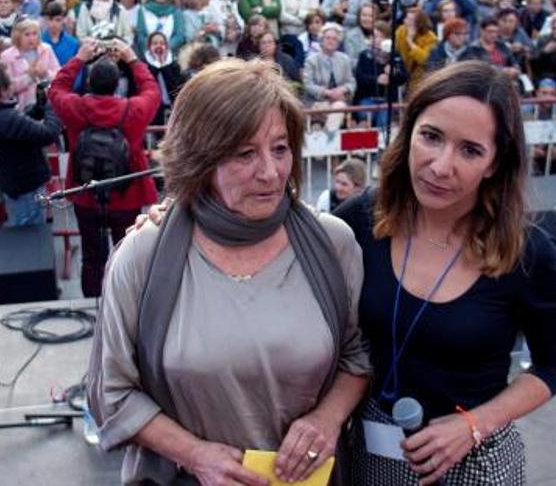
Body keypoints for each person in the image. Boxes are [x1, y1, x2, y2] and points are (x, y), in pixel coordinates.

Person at [88, 58, 370, 486]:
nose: (271, 172)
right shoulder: (143, 255)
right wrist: (195, 455)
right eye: (244, 154)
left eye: (280, 148)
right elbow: (112, 392)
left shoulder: (333, 244)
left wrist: (328, 420)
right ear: (200, 158)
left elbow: (359, 355)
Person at [332, 62, 556, 484]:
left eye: (470, 150)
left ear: (496, 163)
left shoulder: (527, 252)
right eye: (431, 137)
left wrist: (474, 424)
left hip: (471, 461)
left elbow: (554, 365)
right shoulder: (361, 218)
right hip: (374, 453)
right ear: (409, 133)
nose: (441, 167)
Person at [49, 38, 160, 297]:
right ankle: (126, 307)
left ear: (89, 83)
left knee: (92, 258)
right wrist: (132, 57)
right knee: (127, 256)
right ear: (117, 85)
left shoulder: (75, 107)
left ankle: (92, 308)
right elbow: (151, 89)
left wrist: (79, 58)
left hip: (87, 195)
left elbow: (56, 88)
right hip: (127, 195)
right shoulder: (133, 109)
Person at [0, 63, 62, 227]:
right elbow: (48, 134)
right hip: (27, 188)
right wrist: (51, 104)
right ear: (3, 90)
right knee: (31, 238)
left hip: (16, 184)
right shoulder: (5, 118)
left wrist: (39, 107)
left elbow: (19, 124)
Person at [302, 24, 357, 132]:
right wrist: (327, 92)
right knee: (339, 108)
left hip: (339, 101)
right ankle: (329, 135)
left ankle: (326, 135)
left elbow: (352, 82)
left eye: (334, 39)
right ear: (321, 40)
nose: (331, 41)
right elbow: (307, 84)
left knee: (339, 106)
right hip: (317, 102)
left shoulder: (344, 59)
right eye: (328, 38)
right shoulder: (311, 60)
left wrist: (343, 89)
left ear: (338, 42)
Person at [0, 19, 60, 110]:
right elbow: (6, 89)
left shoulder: (47, 49)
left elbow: (59, 75)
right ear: (18, 36)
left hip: (48, 104)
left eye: (34, 34)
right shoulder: (7, 56)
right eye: (27, 35)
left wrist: (45, 74)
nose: (31, 38)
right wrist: (29, 77)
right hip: (21, 108)